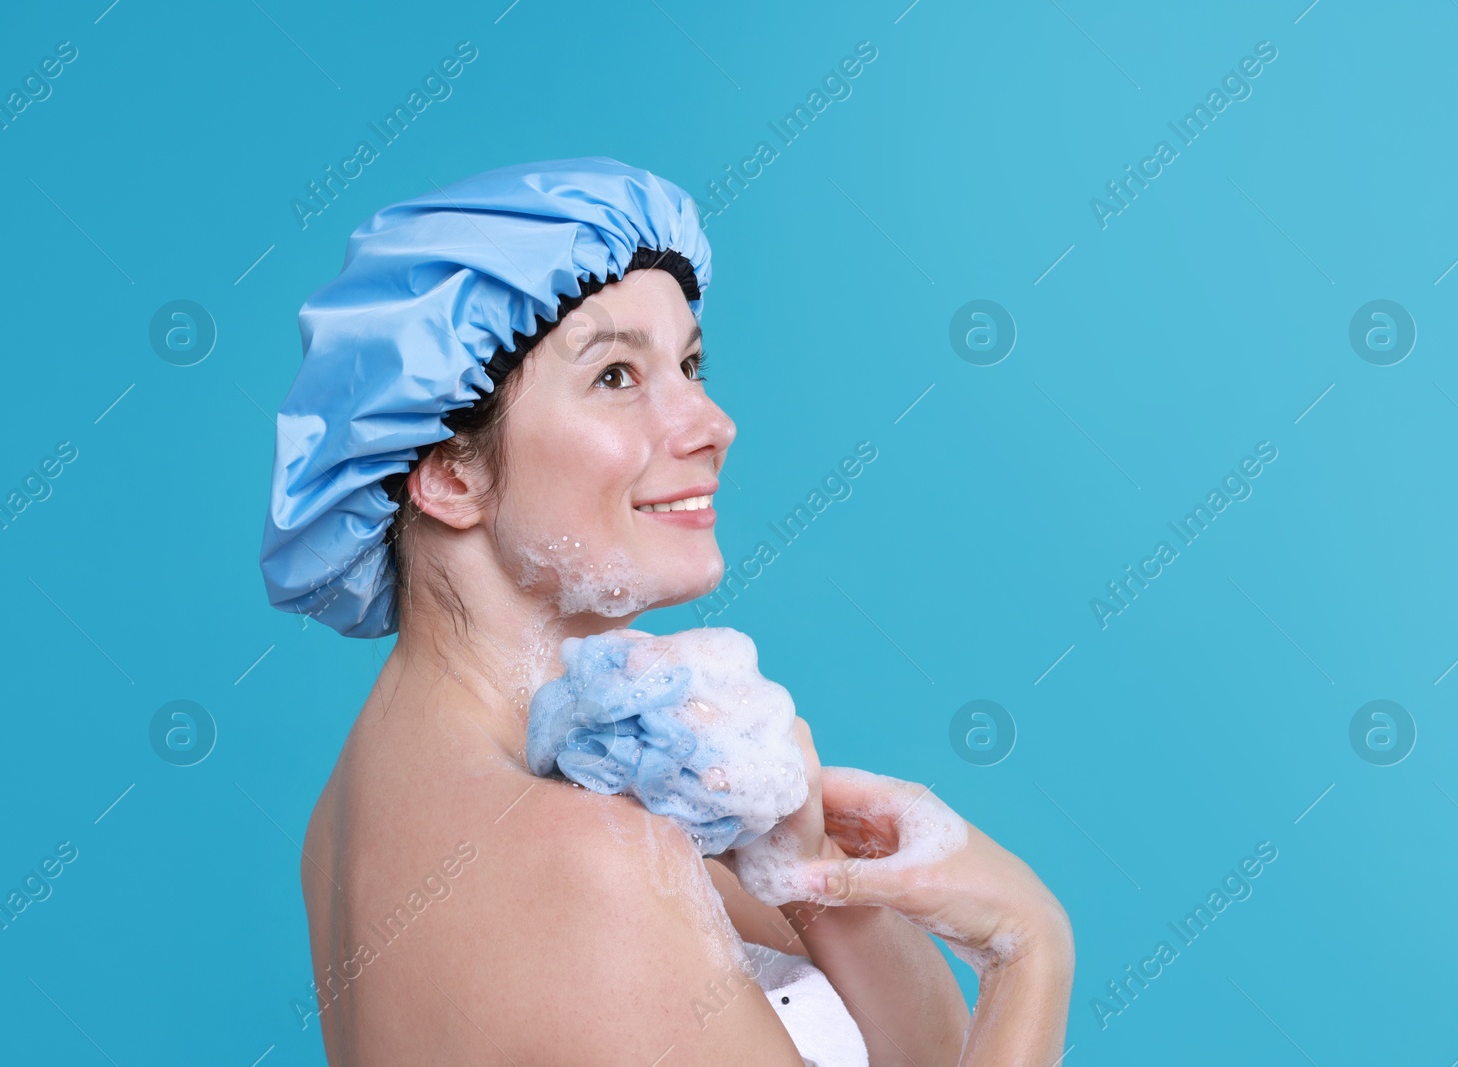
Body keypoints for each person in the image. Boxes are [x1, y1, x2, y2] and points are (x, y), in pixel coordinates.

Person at [260, 158, 1073, 1065]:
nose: (711, 420)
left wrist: (810, 880)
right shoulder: (589, 863)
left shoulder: (359, 812)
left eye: (688, 362)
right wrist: (1028, 954)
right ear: (451, 473)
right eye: (615, 375)